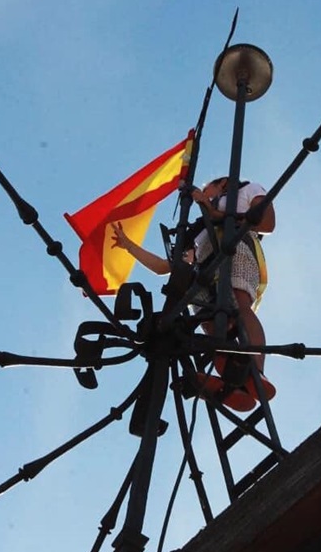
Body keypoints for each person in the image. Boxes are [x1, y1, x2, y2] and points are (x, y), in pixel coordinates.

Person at [111, 175, 276, 408]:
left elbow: (266, 224)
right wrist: (128, 246)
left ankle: (256, 371)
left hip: (234, 247)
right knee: (210, 325)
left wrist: (215, 212)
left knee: (240, 306)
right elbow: (164, 267)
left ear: (223, 183)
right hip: (202, 272)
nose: (205, 191)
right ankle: (232, 384)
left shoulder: (248, 189)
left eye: (208, 187)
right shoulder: (198, 229)